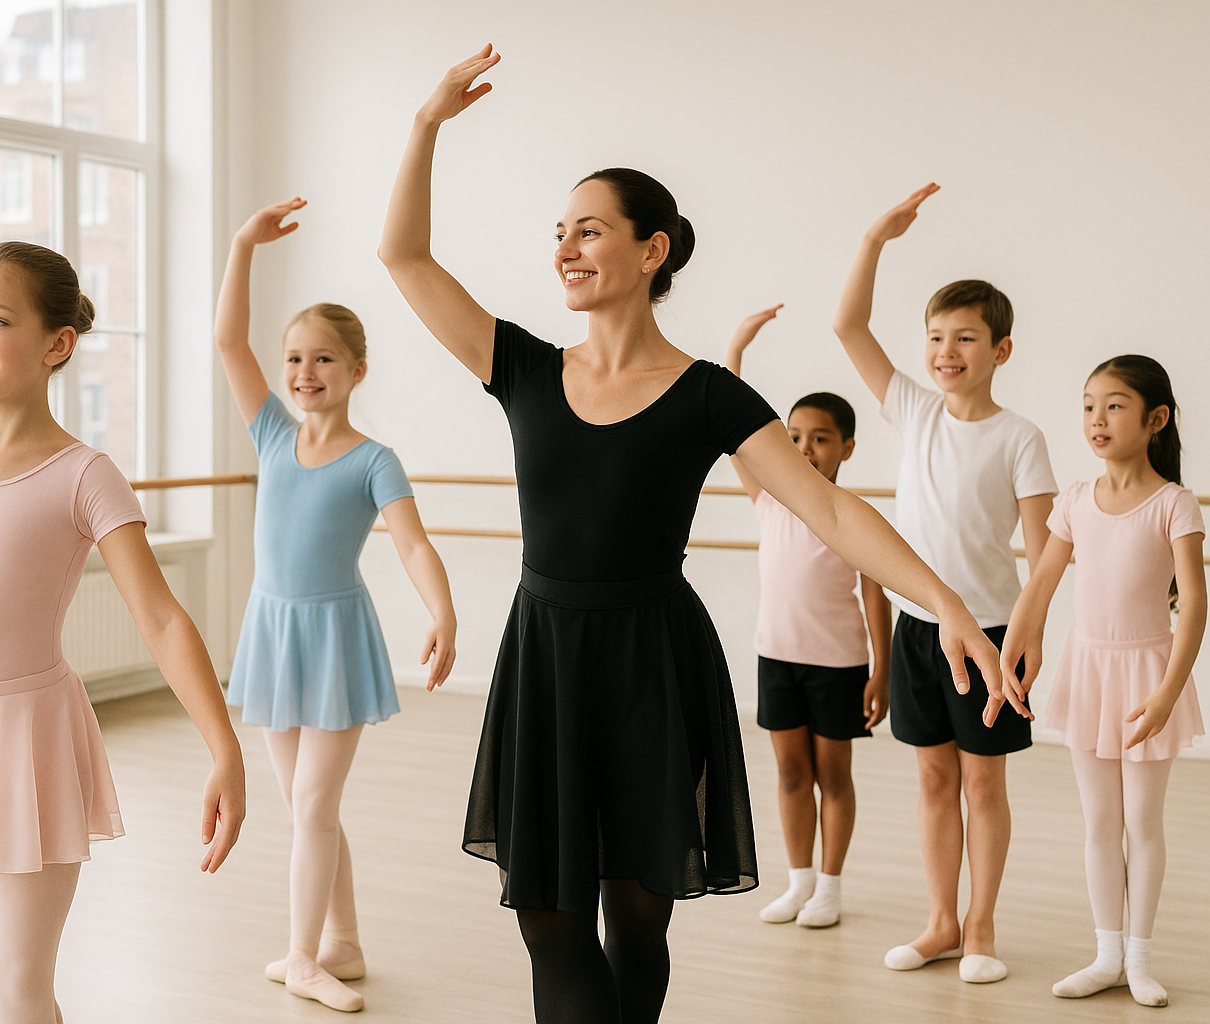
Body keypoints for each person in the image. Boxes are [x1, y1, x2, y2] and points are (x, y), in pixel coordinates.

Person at [379, 45, 1015, 1024]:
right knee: (550, 921)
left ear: (653, 252)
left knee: (637, 921)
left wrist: (947, 603)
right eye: (559, 232)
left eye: (590, 230)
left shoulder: (707, 395)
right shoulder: (525, 369)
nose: (566, 247)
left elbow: (830, 509)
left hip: (651, 664)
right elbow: (405, 259)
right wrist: (426, 124)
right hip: (547, 659)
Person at [0, 43, 244, 1024]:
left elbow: (161, 618)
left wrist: (224, 749)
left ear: (56, 343)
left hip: (29, 737)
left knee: (19, 980)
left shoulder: (83, 474)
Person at [216, 197, 458, 1013]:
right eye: (294, 358)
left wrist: (443, 613)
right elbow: (227, 340)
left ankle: (301, 957)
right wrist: (244, 245)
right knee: (305, 807)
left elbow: (413, 544)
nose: (304, 372)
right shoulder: (271, 434)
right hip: (272, 630)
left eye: (323, 359)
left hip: (333, 639)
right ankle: (343, 943)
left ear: (357, 370)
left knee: (314, 805)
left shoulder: (373, 460)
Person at [832, 184, 1057, 984]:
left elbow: (1045, 553)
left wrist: (1026, 641)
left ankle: (982, 926)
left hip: (991, 633)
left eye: (965, 337)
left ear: (1001, 350)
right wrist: (874, 239)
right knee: (933, 778)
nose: (946, 351)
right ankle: (941, 922)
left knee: (982, 782)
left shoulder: (1021, 438)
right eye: (935, 337)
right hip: (917, 630)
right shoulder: (914, 411)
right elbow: (848, 327)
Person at [1002, 356, 1205, 1008]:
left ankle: (1139, 960)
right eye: (1089, 404)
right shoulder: (1074, 500)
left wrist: (1168, 692)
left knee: (1142, 823)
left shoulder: (1174, 503)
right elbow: (1041, 583)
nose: (1097, 418)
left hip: (1149, 675)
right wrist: (1013, 651)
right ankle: (1106, 955)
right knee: (1099, 822)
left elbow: (1194, 606)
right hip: (1089, 671)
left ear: (1155, 419)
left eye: (1115, 405)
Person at [724, 307, 893, 931]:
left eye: (820, 438)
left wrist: (882, 671)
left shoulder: (852, 514)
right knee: (791, 773)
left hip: (838, 665)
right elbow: (732, 421)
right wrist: (737, 346)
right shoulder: (770, 500)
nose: (804, 448)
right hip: (777, 658)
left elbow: (876, 597)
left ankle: (830, 886)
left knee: (833, 775)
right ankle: (798, 881)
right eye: (794, 436)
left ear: (847, 448)